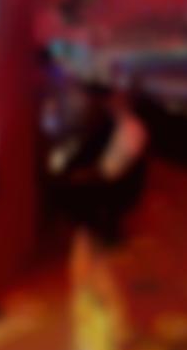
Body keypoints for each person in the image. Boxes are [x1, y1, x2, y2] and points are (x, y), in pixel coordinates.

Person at [45, 81, 147, 246]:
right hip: (106, 176)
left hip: (118, 186)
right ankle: (95, 227)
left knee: (61, 189)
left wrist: (77, 176)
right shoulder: (112, 122)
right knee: (60, 178)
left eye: (116, 97)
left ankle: (100, 231)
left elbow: (110, 171)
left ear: (128, 102)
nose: (109, 100)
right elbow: (91, 149)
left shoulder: (131, 129)